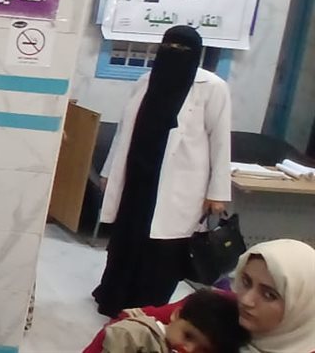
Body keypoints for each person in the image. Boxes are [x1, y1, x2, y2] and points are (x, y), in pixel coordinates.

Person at [94, 25, 232, 317]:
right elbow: (123, 132)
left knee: (163, 247)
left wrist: (217, 192)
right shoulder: (146, 81)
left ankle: (149, 308)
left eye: (183, 49)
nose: (175, 54)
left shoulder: (212, 87)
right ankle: (114, 298)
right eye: (169, 47)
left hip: (179, 182)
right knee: (127, 239)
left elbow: (221, 142)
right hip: (137, 177)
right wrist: (108, 171)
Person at [84, 239, 315, 353]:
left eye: (269, 295)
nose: (246, 300)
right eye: (246, 282)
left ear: (301, 305)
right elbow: (127, 324)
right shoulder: (221, 307)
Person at [100, 289, 249, 353]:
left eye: (203, 350)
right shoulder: (132, 335)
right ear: (176, 314)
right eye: (188, 336)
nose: (189, 348)